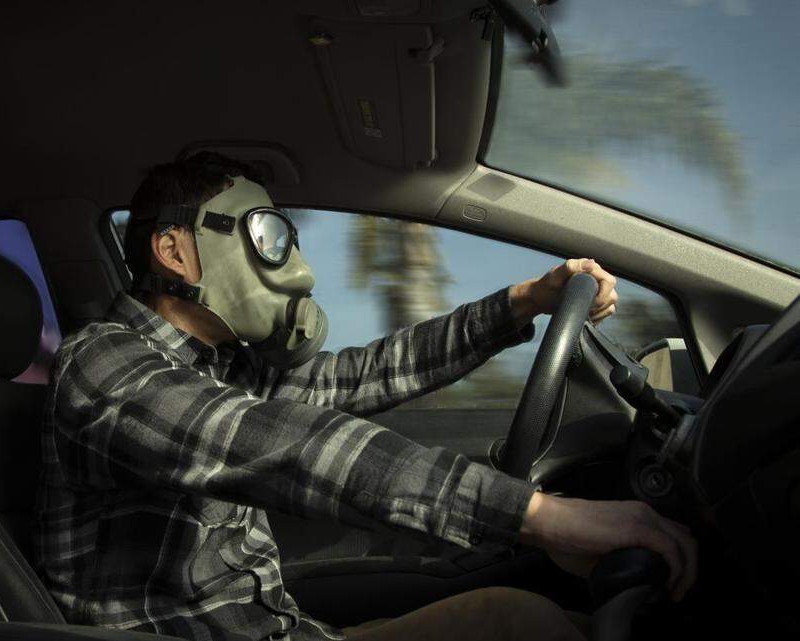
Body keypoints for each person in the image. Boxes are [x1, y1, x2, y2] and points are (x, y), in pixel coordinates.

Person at [35, 153, 697, 641]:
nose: (299, 267)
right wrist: (542, 514)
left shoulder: (222, 369)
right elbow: (290, 447)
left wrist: (521, 303)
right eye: (269, 236)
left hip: (282, 629)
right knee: (516, 623)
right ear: (175, 249)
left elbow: (367, 372)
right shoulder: (103, 363)